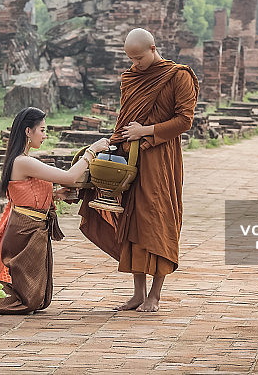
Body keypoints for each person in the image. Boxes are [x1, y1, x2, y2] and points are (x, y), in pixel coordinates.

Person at [79, 27, 199, 312]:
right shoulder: (132, 77)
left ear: (153, 48)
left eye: (139, 57)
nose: (136, 64)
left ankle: (155, 294)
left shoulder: (178, 76)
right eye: (131, 58)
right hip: (131, 158)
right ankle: (137, 293)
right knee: (131, 221)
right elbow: (125, 120)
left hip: (161, 158)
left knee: (157, 220)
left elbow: (184, 120)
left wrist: (145, 130)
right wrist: (111, 145)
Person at [0, 107, 110, 314]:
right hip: (25, 231)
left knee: (39, 298)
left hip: (34, 230)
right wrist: (91, 152)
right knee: (28, 300)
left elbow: (28, 193)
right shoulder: (23, 162)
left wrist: (55, 195)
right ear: (27, 131)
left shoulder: (24, 160)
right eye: (42, 129)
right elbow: (70, 177)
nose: (45, 134)